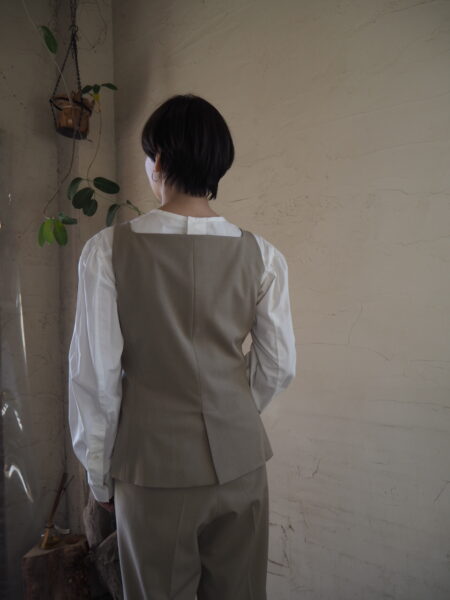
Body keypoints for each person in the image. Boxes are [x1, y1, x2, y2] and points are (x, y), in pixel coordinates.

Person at [68, 93, 296, 600]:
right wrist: (229, 414)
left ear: (159, 160)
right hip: (241, 465)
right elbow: (278, 366)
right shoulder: (263, 255)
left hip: (152, 470)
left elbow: (96, 378)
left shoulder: (108, 251)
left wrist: (99, 476)